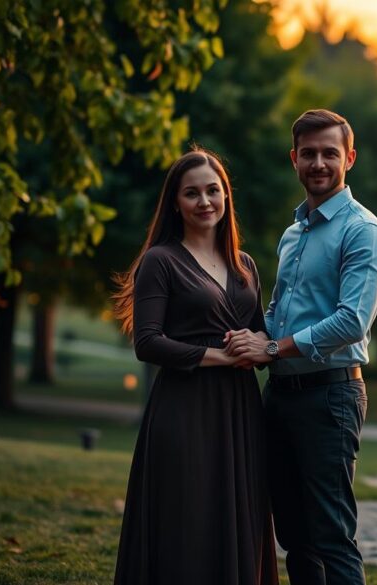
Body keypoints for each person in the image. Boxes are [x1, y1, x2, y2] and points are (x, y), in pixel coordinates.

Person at [225, 109, 377, 585]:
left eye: (330, 153)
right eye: (309, 154)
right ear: (294, 159)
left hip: (329, 397)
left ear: (350, 159)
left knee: (331, 536)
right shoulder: (293, 233)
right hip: (280, 397)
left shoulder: (363, 232)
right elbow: (281, 307)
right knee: (294, 537)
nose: (319, 163)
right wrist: (251, 339)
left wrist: (273, 349)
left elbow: (352, 321)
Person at [110, 147, 277, 585]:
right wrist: (222, 356)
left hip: (240, 412)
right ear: (175, 203)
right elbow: (147, 342)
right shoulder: (160, 261)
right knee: (188, 520)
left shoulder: (246, 266)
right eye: (192, 193)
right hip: (185, 409)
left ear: (226, 197)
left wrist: (263, 344)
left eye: (213, 190)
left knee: (235, 515)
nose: (205, 202)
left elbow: (261, 334)